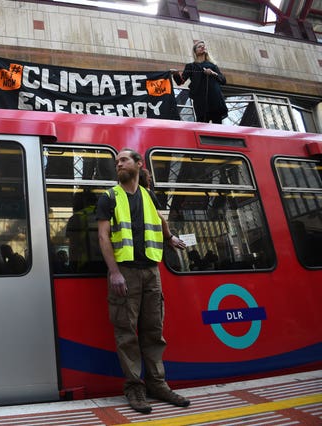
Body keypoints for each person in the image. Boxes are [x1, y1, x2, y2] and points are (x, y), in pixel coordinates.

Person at [96, 148, 190, 414]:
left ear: (138, 164)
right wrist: (113, 271)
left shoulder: (148, 195)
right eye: (116, 162)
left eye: (123, 160)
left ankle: (158, 384)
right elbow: (103, 237)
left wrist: (170, 237)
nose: (119, 165)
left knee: (153, 331)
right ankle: (135, 389)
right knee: (126, 334)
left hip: (151, 271)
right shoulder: (109, 197)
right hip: (124, 272)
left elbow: (160, 220)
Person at [172, 40, 228, 124]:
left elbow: (223, 80)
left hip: (215, 98)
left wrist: (212, 73)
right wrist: (176, 74)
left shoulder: (212, 65)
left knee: (217, 124)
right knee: (202, 123)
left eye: (203, 46)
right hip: (200, 100)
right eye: (199, 46)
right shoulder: (190, 66)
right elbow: (180, 82)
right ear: (195, 51)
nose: (202, 47)